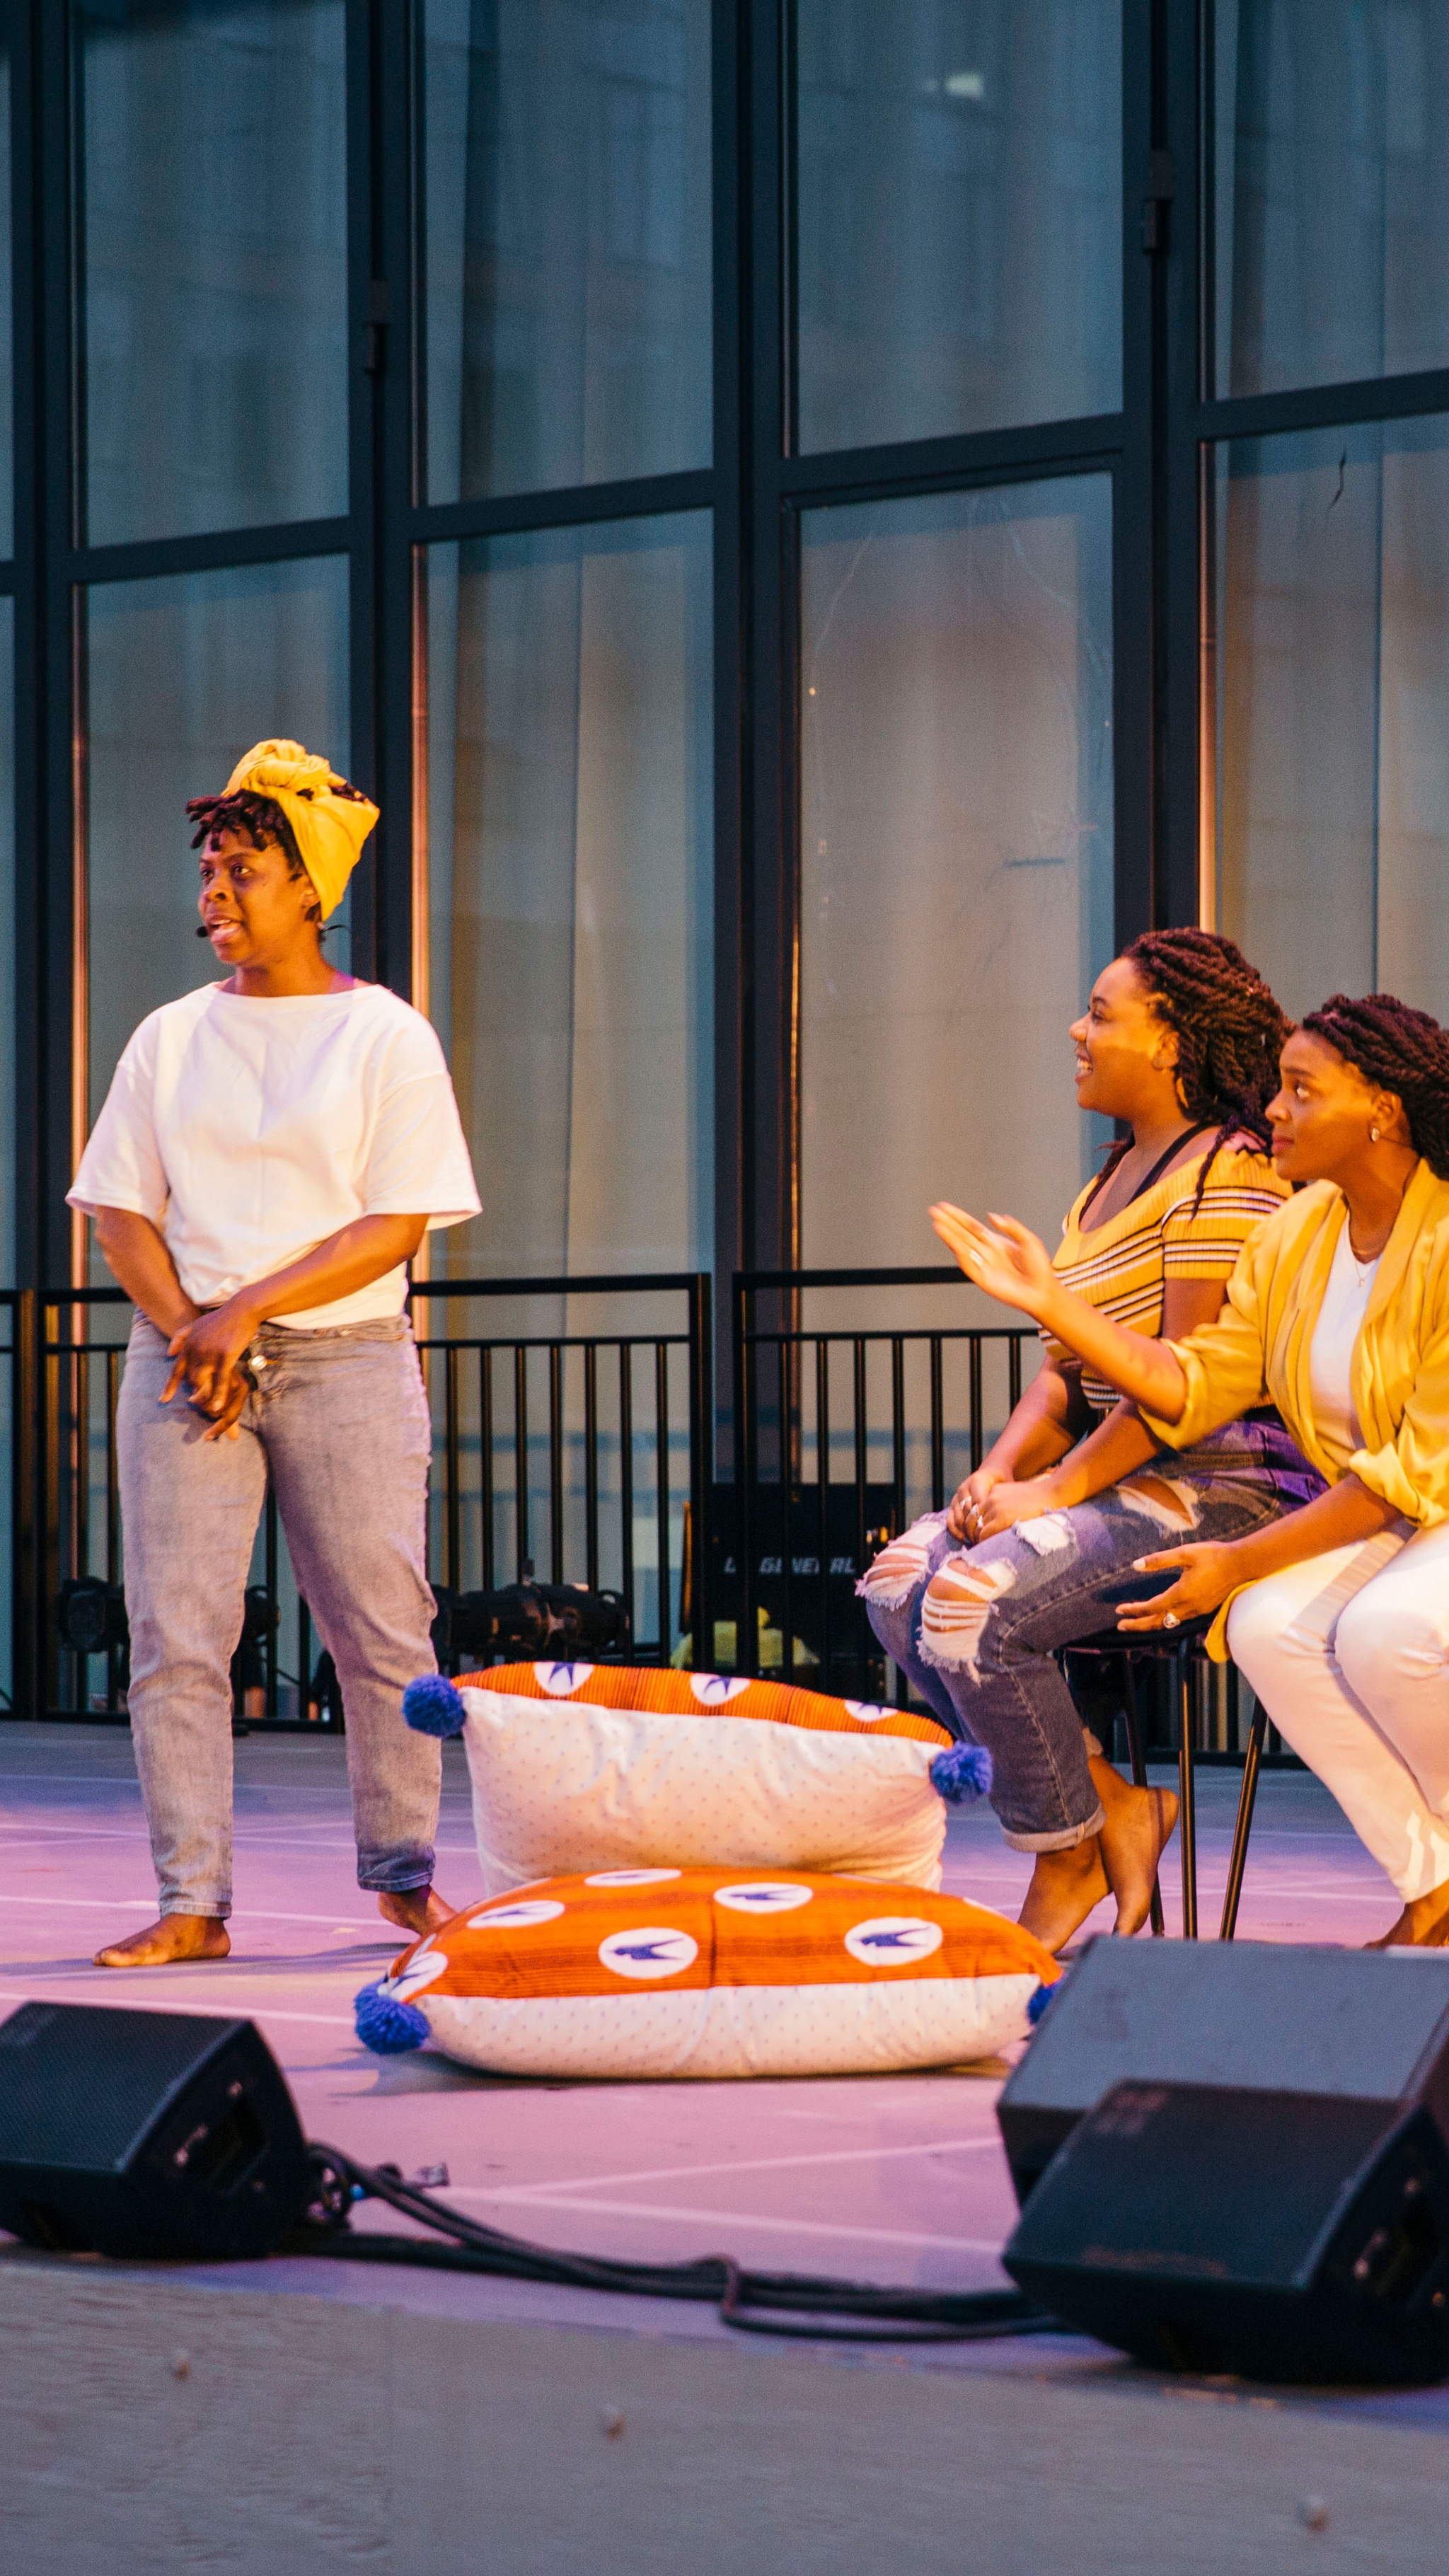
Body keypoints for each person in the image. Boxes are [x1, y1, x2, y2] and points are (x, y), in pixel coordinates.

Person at [69, 739, 481, 1968]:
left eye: (241, 868)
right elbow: (119, 1209)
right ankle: (192, 1900)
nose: (214, 893)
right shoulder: (168, 1036)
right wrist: (194, 1328)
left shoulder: (383, 1035)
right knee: (177, 1635)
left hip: (345, 1355)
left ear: (310, 886)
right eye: (207, 869)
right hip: (184, 1358)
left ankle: (406, 1878)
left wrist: (238, 1311)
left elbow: (393, 1223)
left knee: (381, 1629)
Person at [931, 992, 1449, 1948]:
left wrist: (1239, 1555)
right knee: (1264, 1628)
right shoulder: (1298, 1237)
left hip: (1425, 1502)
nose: (1275, 1112)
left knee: (1385, 1632)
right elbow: (1200, 1378)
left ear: (1382, 1108)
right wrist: (1053, 1302)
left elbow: (1405, 1471)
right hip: (1392, 1512)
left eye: (1301, 1091)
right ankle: (1433, 1887)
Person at [860, 930, 1321, 1953]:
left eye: (1102, 1013)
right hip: (1112, 1478)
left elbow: (1185, 1384)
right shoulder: (1107, 1179)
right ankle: (1112, 1804)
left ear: (1170, 1042)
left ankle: (1066, 1852)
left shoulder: (1229, 1171)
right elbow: (1064, 1375)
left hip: (1223, 1485)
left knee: (972, 1601)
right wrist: (1000, 1470)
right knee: (900, 1581)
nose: (1077, 1029)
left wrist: (1058, 1489)